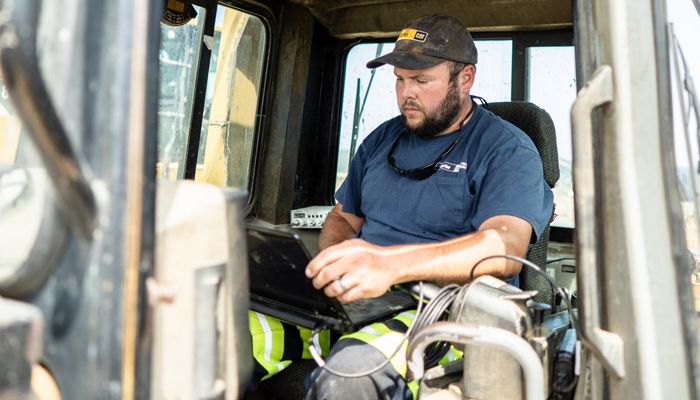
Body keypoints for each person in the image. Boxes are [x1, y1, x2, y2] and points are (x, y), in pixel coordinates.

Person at [300, 13, 554, 400]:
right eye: (399, 80)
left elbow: (504, 249)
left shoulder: (507, 149)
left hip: (443, 311)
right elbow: (342, 216)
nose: (406, 93)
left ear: (464, 78)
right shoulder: (382, 138)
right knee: (224, 326)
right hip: (359, 297)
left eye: (420, 80)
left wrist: (388, 265)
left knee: (347, 379)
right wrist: (338, 263)